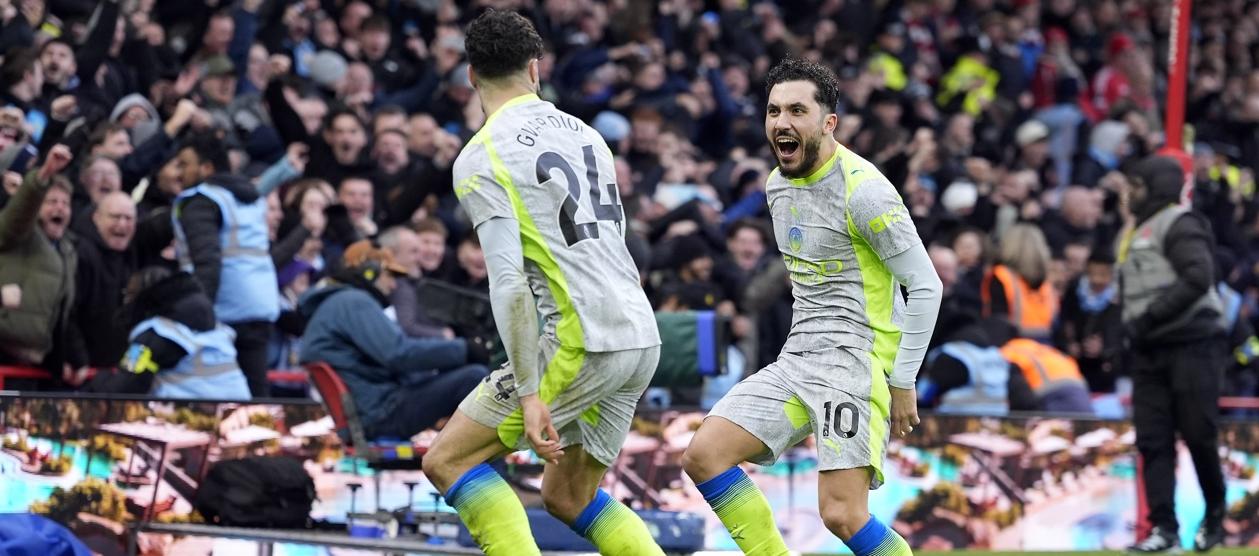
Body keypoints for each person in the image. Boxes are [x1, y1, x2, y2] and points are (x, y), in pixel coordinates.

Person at [421, 10, 663, 556]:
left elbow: (508, 282)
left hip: (579, 341)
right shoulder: (588, 134)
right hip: (638, 335)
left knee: (448, 461)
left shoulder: (482, 156)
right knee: (569, 497)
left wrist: (530, 393)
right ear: (536, 68)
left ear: (470, 74)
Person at [681, 59, 942, 556]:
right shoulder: (777, 186)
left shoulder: (865, 191)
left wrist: (903, 379)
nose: (782, 122)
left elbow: (926, 286)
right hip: (798, 358)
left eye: (797, 111)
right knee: (704, 455)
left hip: (854, 363)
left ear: (828, 122)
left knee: (842, 515)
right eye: (774, 111)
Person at [1119, 156, 1228, 554]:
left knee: (1199, 434)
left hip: (1192, 343)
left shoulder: (1179, 223)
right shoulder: (1134, 232)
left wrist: (1148, 319)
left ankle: (1215, 517)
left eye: (1136, 186)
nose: (1129, 195)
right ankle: (1163, 529)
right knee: (1152, 440)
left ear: (1156, 187)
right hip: (1150, 350)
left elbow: (1199, 276)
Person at [299, 240, 488, 440]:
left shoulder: (339, 303)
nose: (393, 285)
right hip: (380, 412)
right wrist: (465, 349)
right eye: (389, 275)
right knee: (473, 377)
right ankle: (482, 461)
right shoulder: (354, 302)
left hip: (369, 409)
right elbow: (398, 354)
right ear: (369, 271)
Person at [170, 132, 279, 397]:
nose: (178, 173)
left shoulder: (201, 201)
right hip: (258, 306)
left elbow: (207, 262)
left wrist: (199, 313)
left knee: (214, 395)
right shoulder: (248, 197)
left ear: (206, 168)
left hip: (223, 310)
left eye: (184, 164)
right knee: (256, 396)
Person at [0, 145, 77, 382]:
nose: (59, 208)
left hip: (32, 361)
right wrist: (43, 175)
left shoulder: (68, 250)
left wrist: (68, 358)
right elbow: (20, 212)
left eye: (65, 203)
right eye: (51, 201)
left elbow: (62, 314)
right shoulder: (20, 233)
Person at [117, 266, 251, 400]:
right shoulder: (212, 326)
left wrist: (105, 382)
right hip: (239, 404)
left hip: (189, 408)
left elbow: (127, 383)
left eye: (129, 294)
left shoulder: (154, 334)